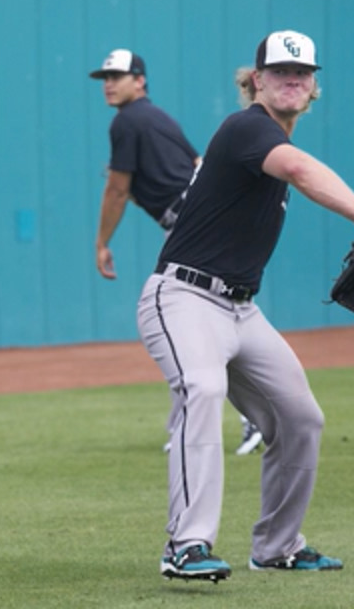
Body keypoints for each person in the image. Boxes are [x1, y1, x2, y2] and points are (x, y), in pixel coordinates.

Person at [140, 30, 354, 582]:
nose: (291, 80)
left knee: (301, 419)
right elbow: (299, 168)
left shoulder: (267, 147)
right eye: (279, 71)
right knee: (203, 388)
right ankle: (186, 545)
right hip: (182, 297)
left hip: (240, 311)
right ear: (256, 80)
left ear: (313, 86)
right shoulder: (247, 128)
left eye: (302, 73)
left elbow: (292, 167)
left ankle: (278, 546)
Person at [89, 48, 264, 456]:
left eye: (117, 76)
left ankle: (250, 415)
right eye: (105, 78)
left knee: (186, 321)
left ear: (140, 81)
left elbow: (117, 189)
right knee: (196, 323)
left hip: (194, 225)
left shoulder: (126, 122)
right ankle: (192, 422)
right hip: (205, 219)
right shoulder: (156, 118)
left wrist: (102, 242)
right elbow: (199, 162)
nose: (109, 84)